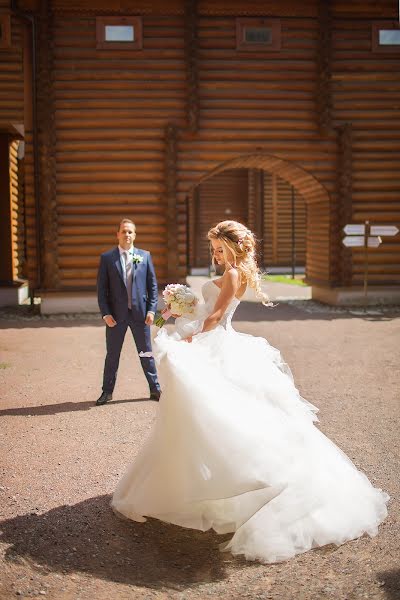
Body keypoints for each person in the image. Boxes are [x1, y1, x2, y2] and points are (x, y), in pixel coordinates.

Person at [111, 220, 389, 564]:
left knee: (215, 415)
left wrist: (188, 338)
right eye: (212, 249)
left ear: (234, 248)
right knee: (212, 415)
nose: (215, 255)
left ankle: (232, 482)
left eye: (219, 249)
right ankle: (215, 482)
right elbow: (206, 312)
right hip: (220, 342)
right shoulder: (234, 272)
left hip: (218, 343)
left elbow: (214, 317)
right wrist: (179, 308)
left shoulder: (231, 275)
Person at [96, 218, 161, 406]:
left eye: (130, 231)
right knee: (112, 355)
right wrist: (105, 313)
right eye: (124, 231)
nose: (127, 235)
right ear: (117, 234)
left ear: (135, 235)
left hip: (141, 315)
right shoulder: (107, 258)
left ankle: (155, 389)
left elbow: (153, 286)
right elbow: (102, 290)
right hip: (116, 317)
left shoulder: (145, 256)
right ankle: (106, 392)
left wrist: (151, 310)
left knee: (146, 353)